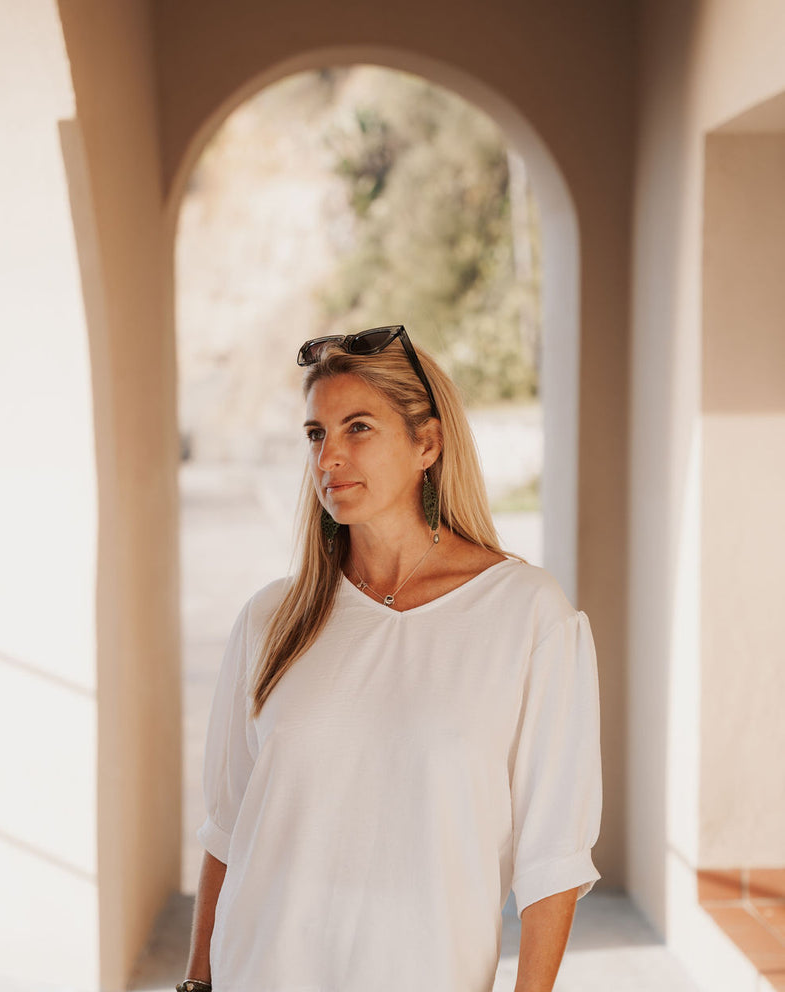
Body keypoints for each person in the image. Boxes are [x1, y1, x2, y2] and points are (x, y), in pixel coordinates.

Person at [180, 324, 602, 992]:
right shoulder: (271, 619)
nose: (329, 457)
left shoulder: (526, 615)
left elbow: (553, 856)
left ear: (426, 443)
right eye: (316, 434)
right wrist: (196, 983)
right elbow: (228, 830)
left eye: (358, 428)